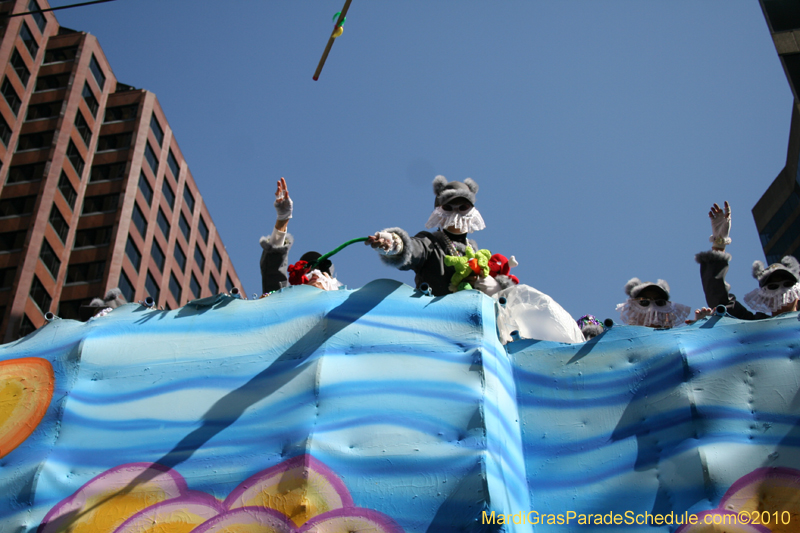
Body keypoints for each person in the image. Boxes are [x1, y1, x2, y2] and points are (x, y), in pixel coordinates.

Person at [366, 175, 515, 296]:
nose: (456, 212)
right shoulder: (431, 242)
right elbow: (414, 249)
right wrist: (395, 243)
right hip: (434, 317)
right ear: (438, 213)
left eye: (463, 207)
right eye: (448, 207)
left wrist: (495, 287)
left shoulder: (476, 252)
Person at [694, 201, 800, 320]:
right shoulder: (755, 326)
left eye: (788, 284)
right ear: (764, 298)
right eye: (773, 287)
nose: (781, 291)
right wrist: (719, 242)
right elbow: (720, 300)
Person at [259, 178, 342, 295]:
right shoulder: (286, 301)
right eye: (309, 271)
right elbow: (273, 274)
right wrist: (283, 219)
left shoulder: (348, 304)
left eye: (320, 271)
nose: (314, 273)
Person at [616, 278, 690, 328]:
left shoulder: (678, 342)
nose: (653, 308)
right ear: (632, 310)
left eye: (660, 303)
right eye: (644, 302)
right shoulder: (622, 342)